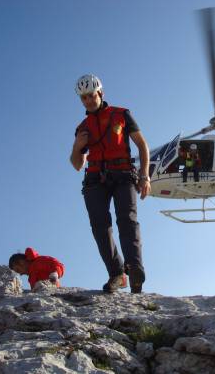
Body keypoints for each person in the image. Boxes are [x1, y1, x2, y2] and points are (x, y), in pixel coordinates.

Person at [70, 74, 150, 294]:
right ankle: (117, 273)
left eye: (91, 95)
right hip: (95, 179)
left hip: (123, 174)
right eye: (83, 98)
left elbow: (142, 146)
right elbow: (77, 164)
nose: (88, 100)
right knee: (100, 228)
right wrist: (77, 147)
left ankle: (134, 269)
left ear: (100, 93)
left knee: (127, 220)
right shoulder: (82, 127)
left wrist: (145, 176)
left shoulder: (122, 114)